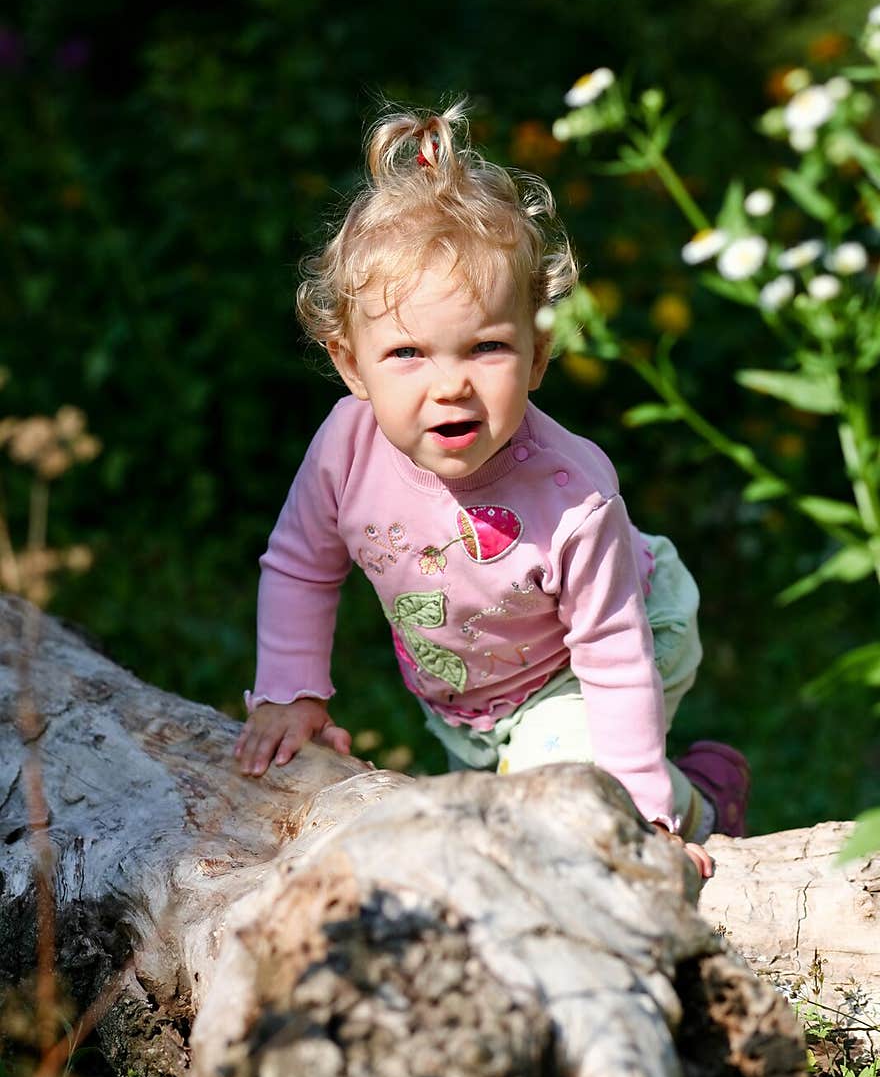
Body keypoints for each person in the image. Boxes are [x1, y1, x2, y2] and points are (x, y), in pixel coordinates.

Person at [234, 100, 750, 878]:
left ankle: (697, 804)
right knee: (499, 800)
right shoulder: (346, 447)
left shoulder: (573, 494)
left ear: (538, 358)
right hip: (472, 693)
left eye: (486, 349)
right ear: (350, 364)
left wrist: (638, 809)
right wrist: (291, 691)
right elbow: (303, 565)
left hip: (617, 638)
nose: (450, 387)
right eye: (407, 352)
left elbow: (612, 651)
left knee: (555, 804)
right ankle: (686, 783)